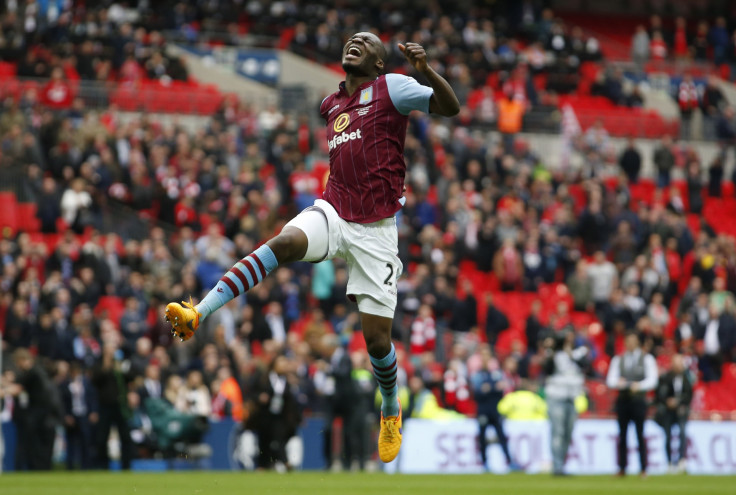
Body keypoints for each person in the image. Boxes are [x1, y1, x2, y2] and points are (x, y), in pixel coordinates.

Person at [164, 31, 459, 463]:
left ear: (379, 63)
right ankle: (197, 312)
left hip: (376, 231)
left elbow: (451, 107)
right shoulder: (331, 105)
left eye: (366, 42)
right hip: (335, 212)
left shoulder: (392, 86)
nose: (354, 43)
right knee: (284, 242)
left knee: (377, 342)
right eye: (350, 40)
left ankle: (391, 407)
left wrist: (426, 71)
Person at [606, 332, 659, 477]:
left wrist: (639, 386)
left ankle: (643, 468)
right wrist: (619, 383)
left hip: (638, 401)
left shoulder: (647, 359)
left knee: (640, 434)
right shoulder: (618, 359)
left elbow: (653, 380)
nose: (630, 344)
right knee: (622, 435)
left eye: (632, 341)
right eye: (627, 341)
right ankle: (622, 467)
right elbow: (610, 380)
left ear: (637, 343)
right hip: (623, 400)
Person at [543, 329, 588, 476]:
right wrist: (550, 349)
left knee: (568, 433)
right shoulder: (554, 355)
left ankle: (561, 463)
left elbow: (585, 365)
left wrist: (571, 355)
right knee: (558, 432)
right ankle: (557, 466)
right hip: (556, 397)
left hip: (572, 397)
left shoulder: (577, 353)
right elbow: (547, 370)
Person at [470, 345, 519, 472]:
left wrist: (488, 389)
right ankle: (485, 463)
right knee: (482, 437)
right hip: (483, 409)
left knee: (502, 436)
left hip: (495, 409)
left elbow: (501, 389)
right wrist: (492, 388)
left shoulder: (496, 373)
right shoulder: (477, 374)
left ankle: (509, 461)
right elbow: (478, 393)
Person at [655, 354, 693, 473]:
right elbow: (659, 395)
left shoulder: (687, 378)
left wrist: (679, 402)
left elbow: (689, 395)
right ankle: (670, 462)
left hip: (681, 411)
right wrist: (667, 401)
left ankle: (681, 460)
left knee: (682, 433)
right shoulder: (665, 377)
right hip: (668, 411)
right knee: (668, 436)